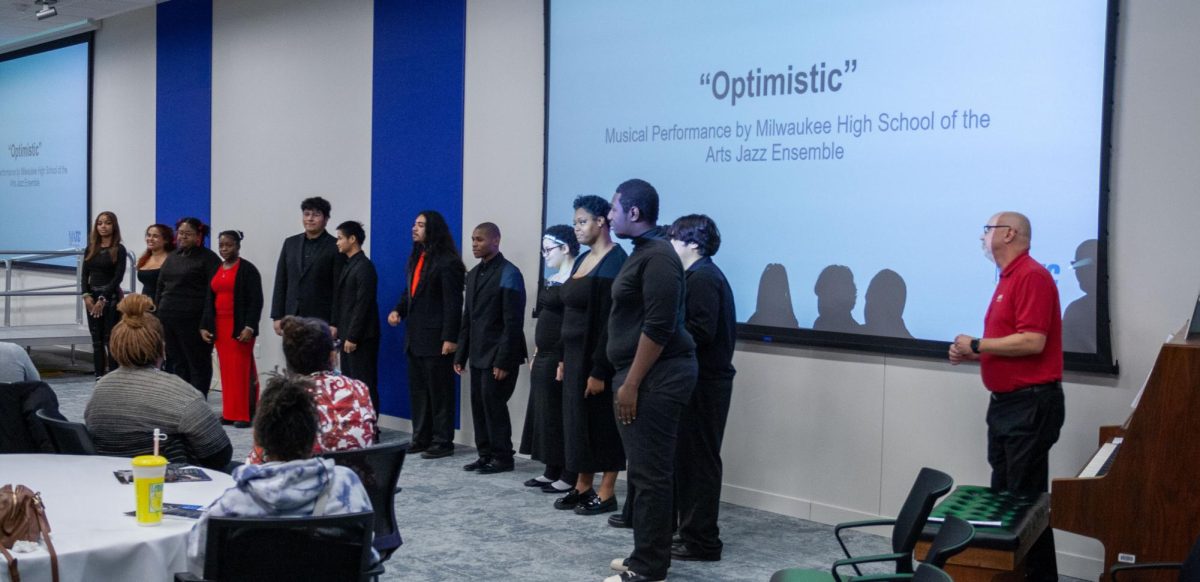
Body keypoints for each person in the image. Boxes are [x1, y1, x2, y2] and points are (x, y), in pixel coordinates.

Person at [950, 211, 1063, 582]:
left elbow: (1033, 341)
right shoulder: (1007, 279)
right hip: (1007, 406)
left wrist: (979, 344)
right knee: (1012, 501)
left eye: (988, 230)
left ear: (1009, 234)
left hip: (1029, 406)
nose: (983, 237)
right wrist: (973, 353)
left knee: (1021, 505)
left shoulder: (1031, 276)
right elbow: (1010, 344)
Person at [186, 373, 374, 575]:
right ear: (314, 437)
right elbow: (368, 559)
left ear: (258, 437)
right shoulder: (346, 485)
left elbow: (196, 560)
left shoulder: (231, 504)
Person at [605, 179, 698, 582]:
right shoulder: (644, 252)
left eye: (613, 210)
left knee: (650, 474)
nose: (609, 217)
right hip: (646, 376)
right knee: (645, 472)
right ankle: (645, 553)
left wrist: (632, 384)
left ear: (634, 213)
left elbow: (658, 327)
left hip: (657, 378)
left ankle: (648, 568)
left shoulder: (658, 257)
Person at [84, 294, 232, 470]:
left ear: (116, 345)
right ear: (161, 346)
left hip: (110, 478)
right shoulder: (182, 393)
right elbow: (220, 454)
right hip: (169, 485)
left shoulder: (99, 390)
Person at [667, 214, 736, 562]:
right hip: (701, 380)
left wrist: (661, 339)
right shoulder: (698, 275)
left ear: (694, 242)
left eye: (676, 238)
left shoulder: (703, 278)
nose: (669, 244)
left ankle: (701, 540)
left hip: (705, 382)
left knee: (699, 462)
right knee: (691, 460)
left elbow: (701, 331)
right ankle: (690, 534)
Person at [556, 196, 628, 515]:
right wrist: (562, 358)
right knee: (577, 423)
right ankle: (583, 485)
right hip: (573, 355)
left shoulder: (616, 261)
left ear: (602, 221)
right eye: (574, 223)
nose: (577, 228)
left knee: (601, 424)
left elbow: (611, 322)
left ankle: (606, 490)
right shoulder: (582, 258)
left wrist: (599, 369)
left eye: (582, 222)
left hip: (598, 358)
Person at [387, 210, 465, 460]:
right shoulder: (417, 257)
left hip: (437, 339)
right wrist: (399, 310)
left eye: (420, 225)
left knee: (439, 392)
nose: (414, 228)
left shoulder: (448, 261)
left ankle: (442, 440)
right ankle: (421, 437)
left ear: (433, 229)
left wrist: (450, 338)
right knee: (419, 391)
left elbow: (453, 303)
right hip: (415, 337)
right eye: (414, 224)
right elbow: (411, 292)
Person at [246, 316, 376, 464]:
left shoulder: (283, 397)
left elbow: (256, 463)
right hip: (354, 481)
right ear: (332, 356)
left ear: (288, 359)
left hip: (302, 482)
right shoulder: (359, 388)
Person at [455, 222, 527, 475]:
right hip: (477, 352)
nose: (474, 244)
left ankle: (503, 457)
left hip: (499, 354)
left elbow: (513, 322)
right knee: (478, 404)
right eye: (473, 239)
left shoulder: (510, 273)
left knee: (493, 406)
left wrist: (503, 361)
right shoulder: (473, 274)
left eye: (480, 240)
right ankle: (484, 454)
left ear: (496, 240)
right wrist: (461, 353)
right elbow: (468, 318)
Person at [519, 225, 578, 494]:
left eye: (548, 250)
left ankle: (568, 473)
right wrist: (534, 352)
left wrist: (564, 359)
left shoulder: (576, 277)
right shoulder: (553, 277)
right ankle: (550, 468)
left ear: (565, 248)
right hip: (543, 354)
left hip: (560, 356)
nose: (545, 256)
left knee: (559, 415)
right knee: (544, 414)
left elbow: (572, 322)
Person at [200, 231, 264, 428]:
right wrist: (205, 325)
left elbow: (256, 301)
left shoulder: (247, 270)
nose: (224, 249)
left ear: (237, 246)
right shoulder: (217, 268)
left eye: (228, 245)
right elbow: (209, 300)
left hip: (239, 328)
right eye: (221, 245)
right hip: (220, 326)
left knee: (241, 371)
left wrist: (249, 327)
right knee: (227, 373)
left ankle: (245, 414)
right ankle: (229, 413)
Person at [156, 217, 221, 396]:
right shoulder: (173, 256)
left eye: (188, 234)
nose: (182, 237)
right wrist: (157, 313)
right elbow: (161, 285)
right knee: (176, 362)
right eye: (181, 233)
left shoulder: (209, 259)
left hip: (193, 321)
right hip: (169, 318)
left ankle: (198, 401)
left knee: (197, 363)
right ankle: (179, 401)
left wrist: (206, 323)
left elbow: (212, 293)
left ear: (199, 235)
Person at [271, 196, 342, 335]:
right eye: (307, 214)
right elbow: (281, 280)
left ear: (326, 219)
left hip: (321, 318)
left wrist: (335, 322)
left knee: (319, 356)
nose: (310, 219)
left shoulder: (335, 246)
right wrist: (277, 316)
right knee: (292, 356)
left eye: (316, 215)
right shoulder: (290, 243)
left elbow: (338, 288)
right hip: (292, 316)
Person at [331, 220, 381, 411]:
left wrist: (353, 336)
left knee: (364, 383)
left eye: (340, 238)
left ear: (353, 239)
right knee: (350, 383)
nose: (337, 242)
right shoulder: (349, 265)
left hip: (361, 337)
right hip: (348, 335)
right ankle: (356, 425)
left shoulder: (364, 267)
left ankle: (370, 426)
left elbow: (363, 304)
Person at [81, 211, 127, 378]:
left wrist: (103, 298)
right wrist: (86, 296)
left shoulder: (119, 249)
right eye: (100, 223)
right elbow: (84, 275)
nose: (103, 226)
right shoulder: (90, 248)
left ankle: (113, 376)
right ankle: (99, 375)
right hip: (91, 296)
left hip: (110, 297)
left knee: (109, 338)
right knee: (96, 339)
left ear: (113, 226)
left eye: (107, 223)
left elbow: (118, 277)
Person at [136, 223, 175, 300]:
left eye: (155, 236)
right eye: (149, 235)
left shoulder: (171, 259)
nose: (150, 239)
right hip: (145, 304)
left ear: (166, 240)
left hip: (163, 303)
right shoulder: (145, 258)